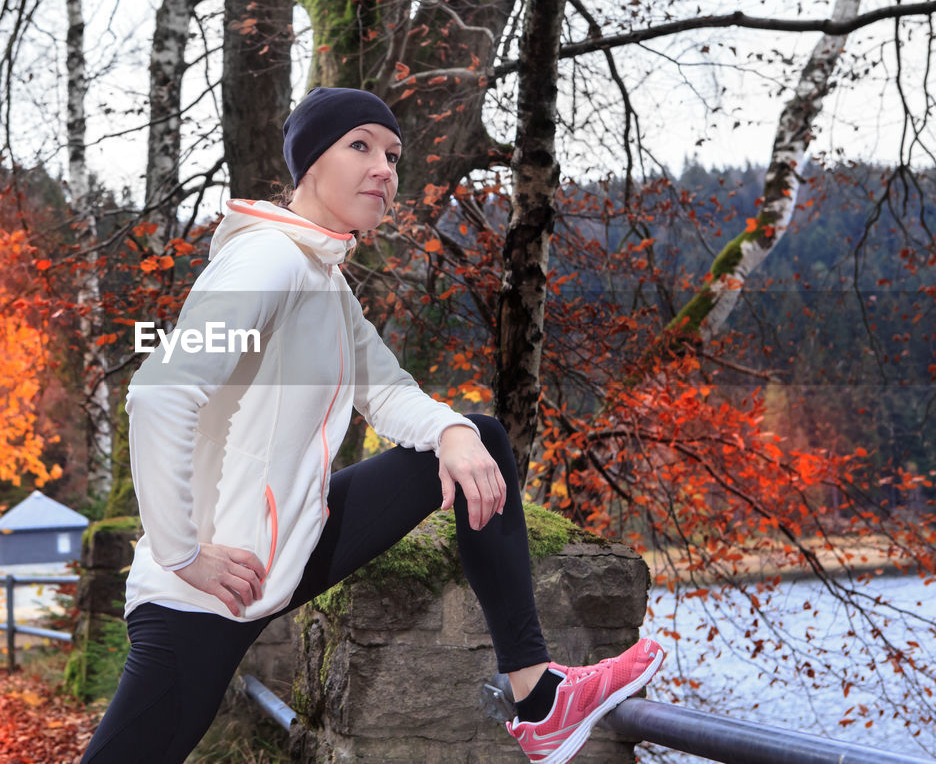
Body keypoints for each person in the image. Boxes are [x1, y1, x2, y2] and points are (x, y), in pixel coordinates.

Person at [79, 87, 663, 764]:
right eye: (360, 146)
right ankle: (540, 701)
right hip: (201, 599)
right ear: (310, 165)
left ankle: (540, 699)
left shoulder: (325, 283)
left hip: (284, 553)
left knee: (479, 438)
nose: (385, 168)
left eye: (392, 154)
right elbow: (157, 394)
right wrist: (183, 551)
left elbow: (387, 393)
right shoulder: (265, 259)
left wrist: (451, 434)